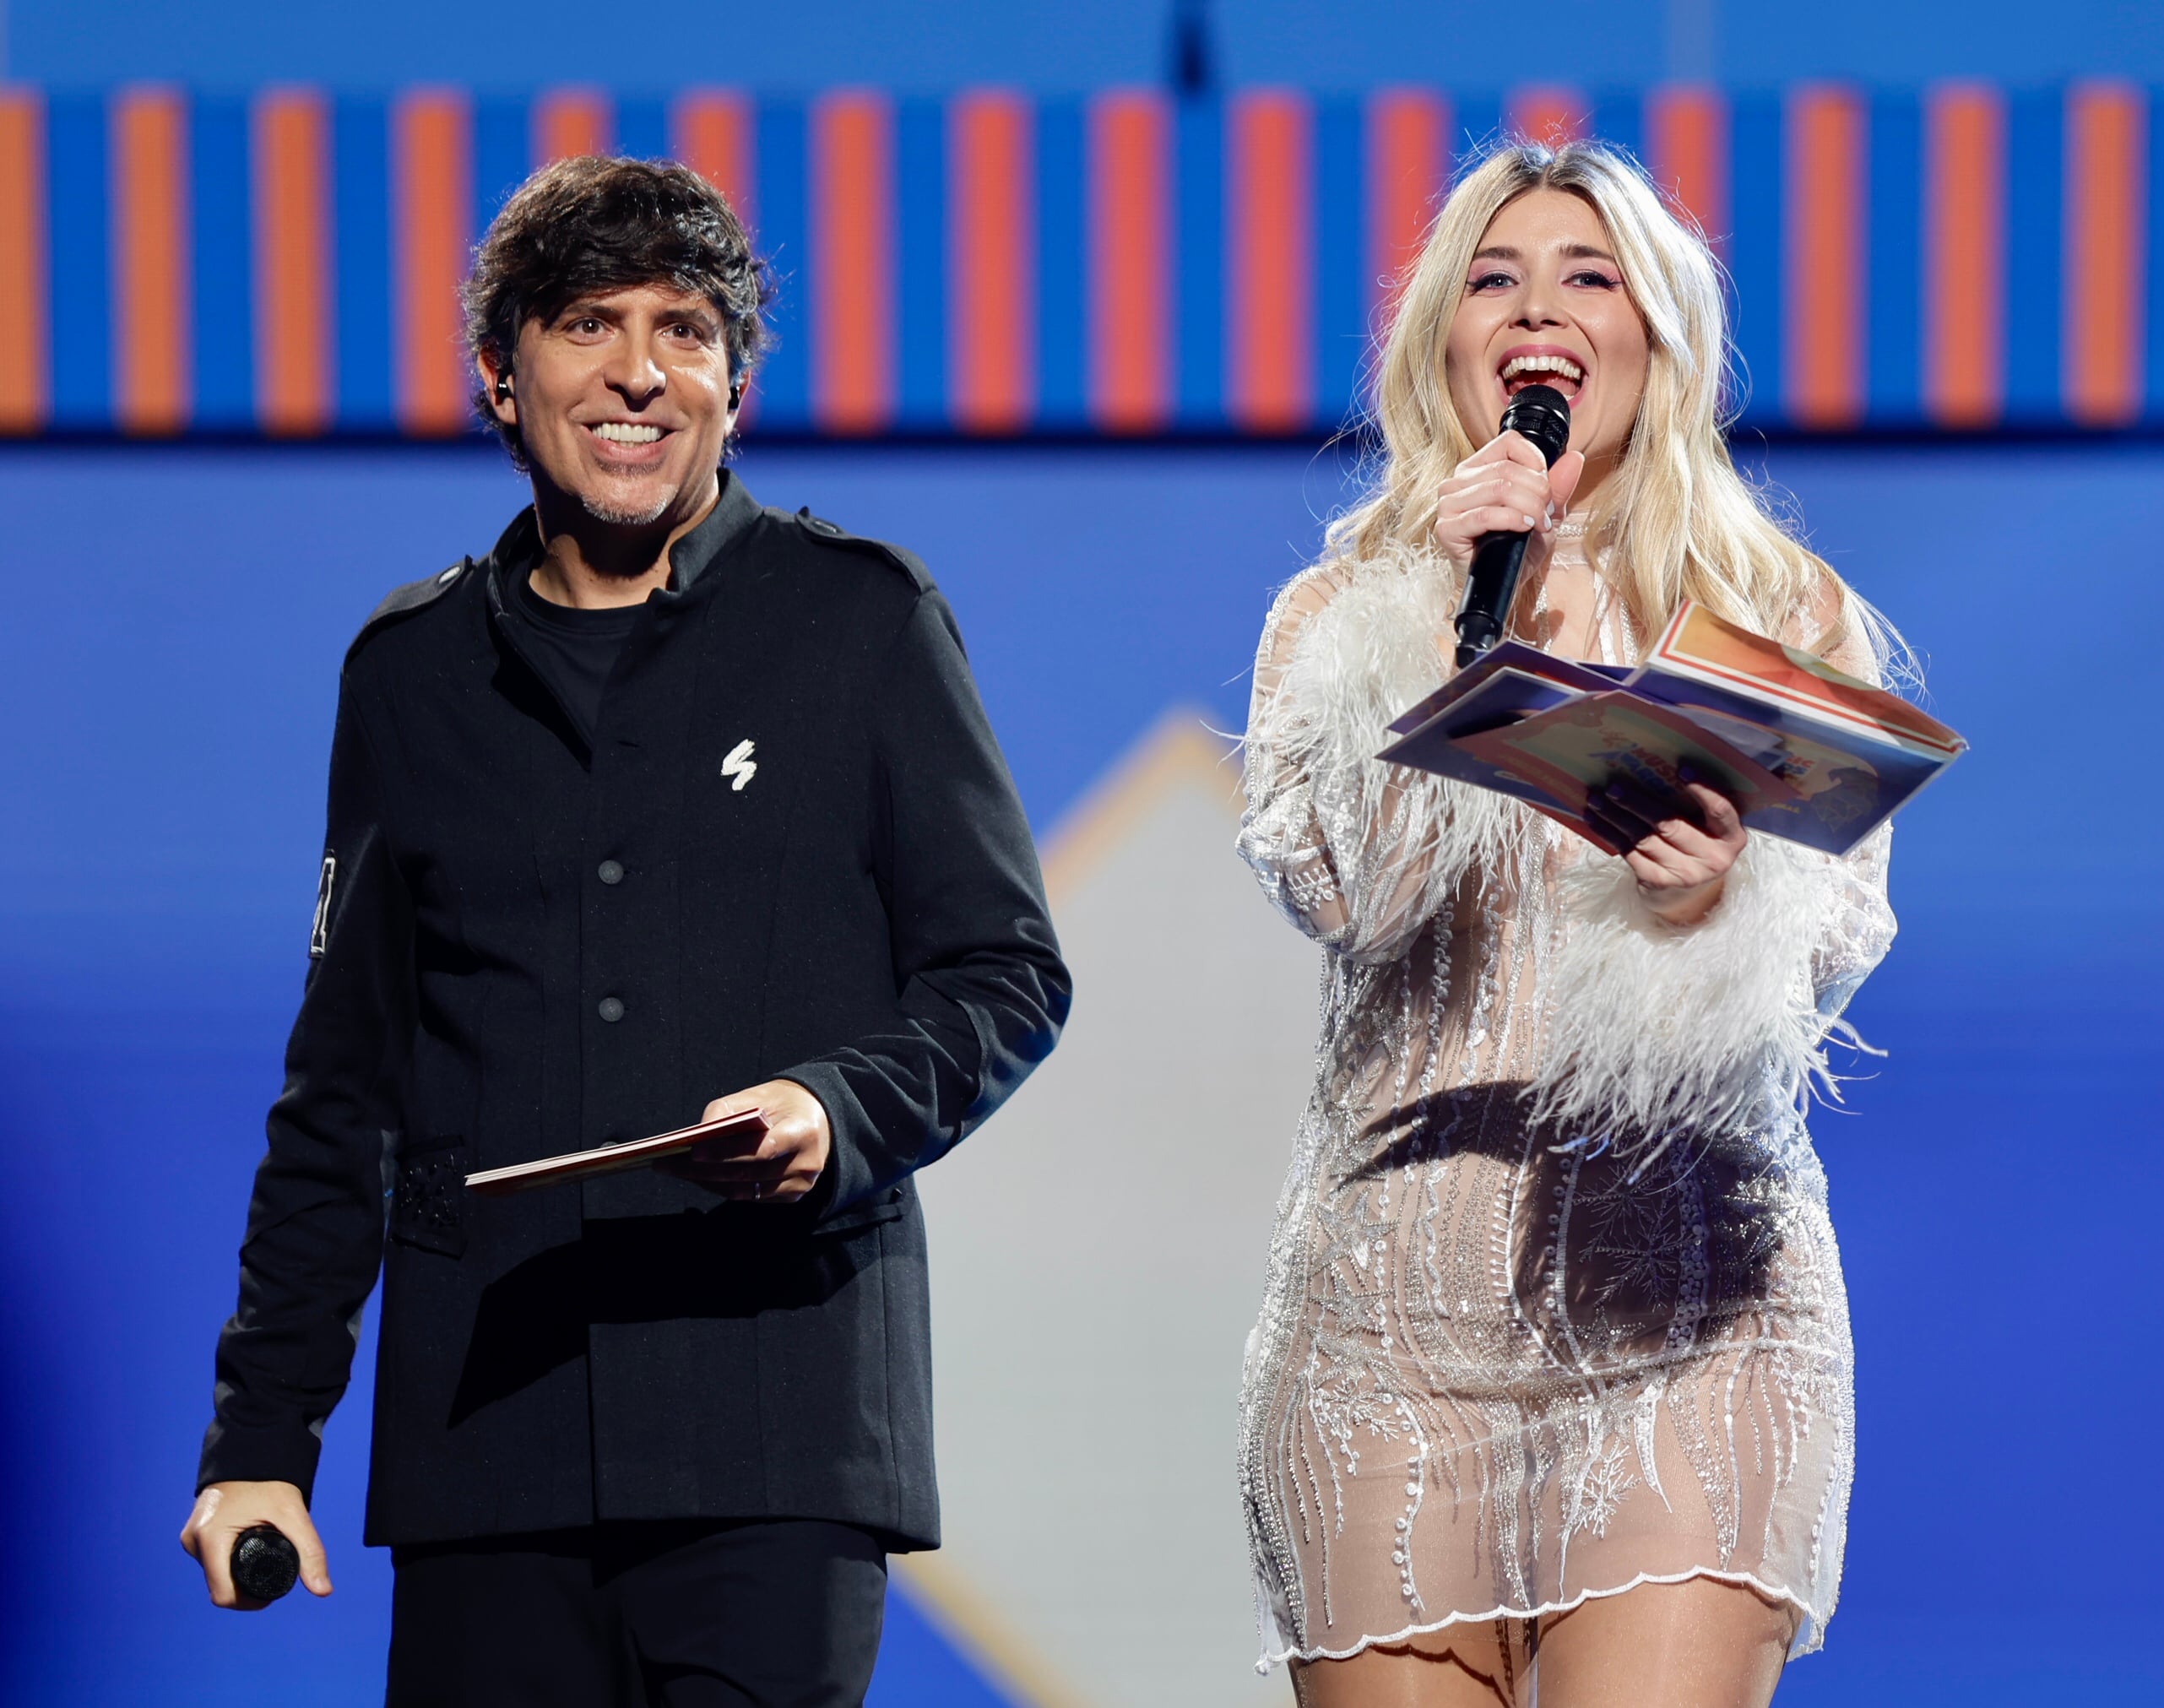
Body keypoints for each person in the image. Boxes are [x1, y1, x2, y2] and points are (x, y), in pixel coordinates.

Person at [177, 155, 1070, 1706]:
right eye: (590, 323)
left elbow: (1005, 975)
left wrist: (836, 1107)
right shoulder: (408, 675)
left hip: (774, 1432)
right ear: (501, 375)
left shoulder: (859, 622)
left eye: (685, 328)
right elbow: (345, 1094)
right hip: (488, 1443)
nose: (640, 370)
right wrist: (260, 1445)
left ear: (735, 379)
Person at [1236, 139, 1904, 1707]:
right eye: (1493, 279)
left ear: (1654, 338)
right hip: (1386, 1335)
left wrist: (1709, 901)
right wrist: (1447, 613)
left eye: (1587, 278)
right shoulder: (1337, 621)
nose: (1538, 310)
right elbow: (1347, 893)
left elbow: (1828, 951)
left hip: (1690, 1314)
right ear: (1443, 348)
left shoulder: (1768, 609)